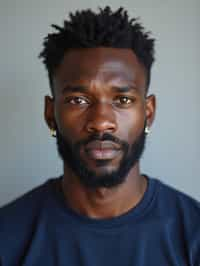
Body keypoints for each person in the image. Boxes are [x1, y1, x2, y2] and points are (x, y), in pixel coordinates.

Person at [0, 6, 199, 266]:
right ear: (51, 114)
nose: (101, 122)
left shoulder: (193, 235)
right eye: (78, 100)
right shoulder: (7, 237)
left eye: (123, 99)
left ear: (148, 114)